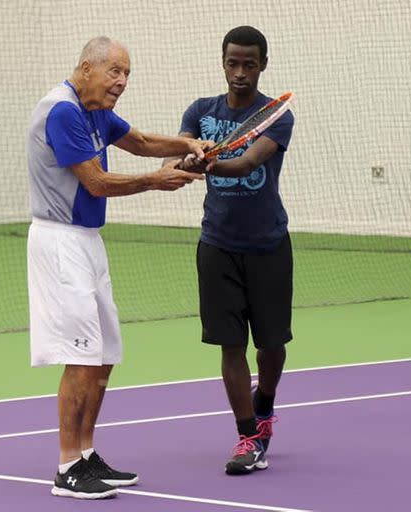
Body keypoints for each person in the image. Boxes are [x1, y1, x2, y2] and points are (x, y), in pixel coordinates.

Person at [26, 36, 211, 499]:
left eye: (126, 74)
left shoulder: (94, 111)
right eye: (115, 72)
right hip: (59, 242)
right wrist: (155, 181)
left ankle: (87, 455)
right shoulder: (64, 111)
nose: (122, 82)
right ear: (87, 67)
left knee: (104, 352)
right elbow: (96, 182)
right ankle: (68, 466)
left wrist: (187, 142)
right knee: (82, 354)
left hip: (87, 241)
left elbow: (141, 141)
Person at [175, 26, 295, 475]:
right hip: (217, 247)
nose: (240, 72)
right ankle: (249, 435)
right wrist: (186, 159)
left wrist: (209, 163)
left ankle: (265, 403)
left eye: (249, 63)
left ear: (263, 64)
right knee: (230, 345)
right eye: (232, 62)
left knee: (272, 346)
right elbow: (178, 152)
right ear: (222, 62)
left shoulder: (276, 115)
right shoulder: (201, 112)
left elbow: (246, 163)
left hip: (268, 246)